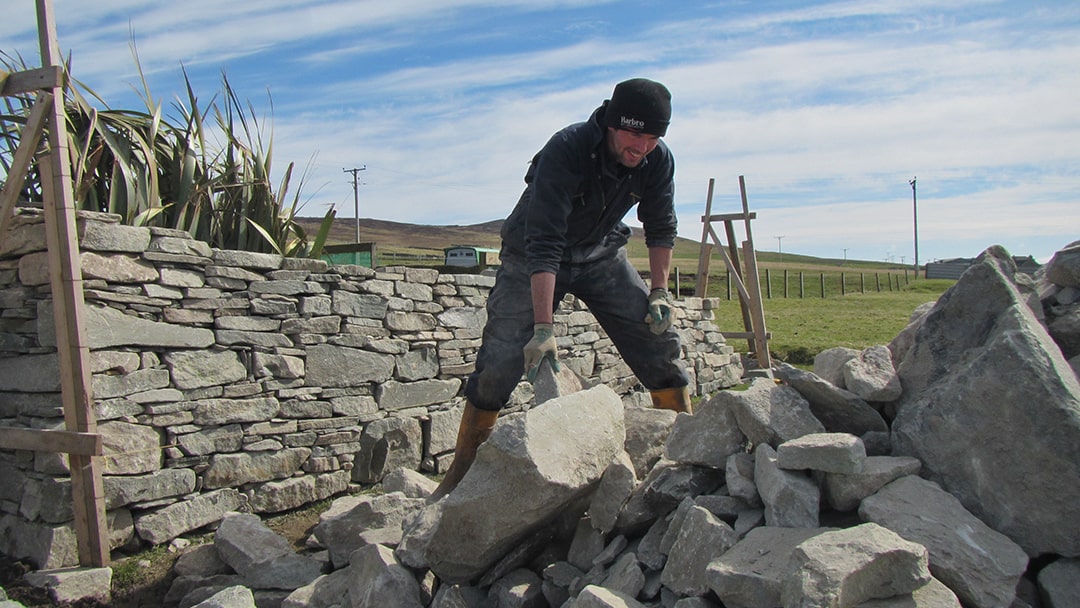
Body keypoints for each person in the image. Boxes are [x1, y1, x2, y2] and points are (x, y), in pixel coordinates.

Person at [430, 77, 692, 501]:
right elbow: (544, 243)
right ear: (611, 123)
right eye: (635, 134)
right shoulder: (567, 148)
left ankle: (687, 458)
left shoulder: (658, 160)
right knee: (498, 363)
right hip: (529, 256)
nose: (642, 147)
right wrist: (543, 329)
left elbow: (661, 227)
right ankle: (460, 475)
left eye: (654, 137)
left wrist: (659, 292)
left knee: (657, 339)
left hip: (601, 253)